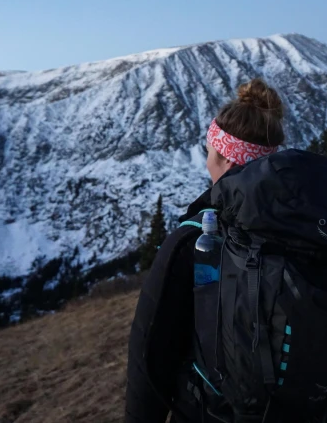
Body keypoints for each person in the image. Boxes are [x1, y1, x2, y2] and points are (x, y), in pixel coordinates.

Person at [125, 78, 285, 423]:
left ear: (226, 158)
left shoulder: (196, 239)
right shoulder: (304, 223)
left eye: (209, 152)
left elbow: (149, 350)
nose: (207, 162)